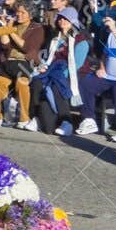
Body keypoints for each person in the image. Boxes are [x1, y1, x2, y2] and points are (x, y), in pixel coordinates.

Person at [29, 7, 90, 136]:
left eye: (66, 19)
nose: (62, 21)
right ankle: (36, 117)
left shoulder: (81, 40)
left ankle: (67, 122)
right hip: (53, 70)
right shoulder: (55, 39)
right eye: (60, 18)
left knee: (58, 85)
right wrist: (42, 67)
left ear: (73, 21)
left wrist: (60, 74)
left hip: (73, 73)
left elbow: (77, 64)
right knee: (36, 82)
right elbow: (48, 58)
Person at [79, 12, 116, 143]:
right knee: (86, 82)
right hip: (109, 77)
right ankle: (89, 119)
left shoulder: (115, 33)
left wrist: (114, 31)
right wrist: (102, 67)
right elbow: (105, 54)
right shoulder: (114, 34)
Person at [0, 0, 44, 127]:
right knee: (0, 83)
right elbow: (5, 45)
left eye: (23, 12)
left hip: (25, 62)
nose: (18, 14)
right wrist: (4, 29)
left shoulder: (37, 28)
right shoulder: (13, 25)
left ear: (30, 15)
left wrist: (11, 32)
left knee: (22, 84)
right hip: (9, 61)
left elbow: (27, 48)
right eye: (18, 12)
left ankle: (24, 118)